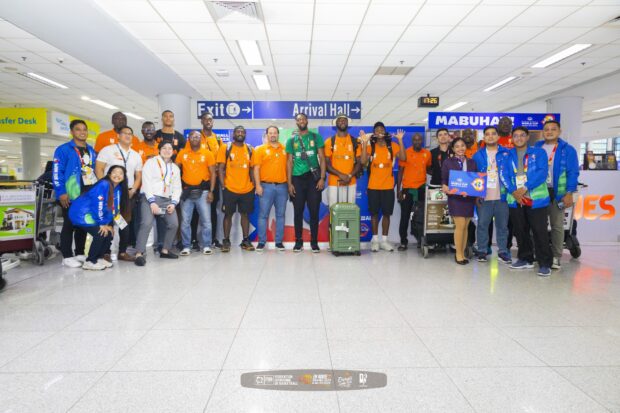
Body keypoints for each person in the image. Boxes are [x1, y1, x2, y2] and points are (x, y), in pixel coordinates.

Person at [501, 126, 553, 276]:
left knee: (539, 231)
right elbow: (503, 174)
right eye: (515, 136)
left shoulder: (538, 152)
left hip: (536, 199)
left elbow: (542, 173)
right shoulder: (507, 155)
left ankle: (545, 263)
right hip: (515, 199)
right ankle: (525, 258)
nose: (519, 138)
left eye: (522, 135)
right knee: (520, 230)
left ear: (527, 136)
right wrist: (513, 191)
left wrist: (525, 188)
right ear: (512, 138)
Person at [534, 120, 579, 270]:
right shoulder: (536, 148)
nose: (549, 131)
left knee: (557, 225)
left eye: (553, 129)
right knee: (538, 225)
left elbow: (573, 172)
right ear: (542, 132)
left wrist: (569, 192)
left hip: (558, 193)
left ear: (559, 131)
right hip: (539, 191)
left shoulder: (568, 150)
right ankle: (539, 254)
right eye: (546, 129)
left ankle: (556, 256)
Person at [52, 119, 97, 268]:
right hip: (70, 193)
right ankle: (67, 256)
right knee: (69, 224)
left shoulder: (91, 151)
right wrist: (61, 192)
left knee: (82, 224)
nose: (82, 132)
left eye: (84, 129)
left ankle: (79, 253)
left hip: (87, 193)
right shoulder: (64, 149)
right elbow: (58, 172)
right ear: (72, 132)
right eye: (78, 129)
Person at [95, 125, 143, 262]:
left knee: (124, 224)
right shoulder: (107, 150)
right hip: (109, 193)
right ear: (118, 136)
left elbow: (138, 175)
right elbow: (99, 169)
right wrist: (104, 187)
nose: (127, 136)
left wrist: (133, 189)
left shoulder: (135, 155)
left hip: (127, 195)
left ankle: (122, 252)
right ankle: (105, 252)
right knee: (108, 221)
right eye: (124, 133)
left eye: (130, 133)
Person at [69, 165, 130, 270]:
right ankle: (90, 261)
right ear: (109, 174)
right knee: (101, 233)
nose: (117, 175)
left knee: (109, 232)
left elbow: (113, 208)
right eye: (114, 172)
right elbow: (98, 205)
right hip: (82, 214)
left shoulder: (118, 189)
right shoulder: (104, 184)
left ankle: (100, 258)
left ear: (124, 177)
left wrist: (107, 224)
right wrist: (102, 223)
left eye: (121, 173)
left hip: (95, 214)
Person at [360, 122, 406, 252]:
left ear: (385, 132)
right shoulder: (371, 147)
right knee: (374, 214)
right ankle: (375, 241)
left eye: (382, 129)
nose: (379, 131)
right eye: (377, 130)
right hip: (373, 186)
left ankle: (384, 241)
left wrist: (400, 140)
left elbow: (403, 157)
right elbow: (363, 161)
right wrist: (364, 143)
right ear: (374, 133)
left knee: (386, 214)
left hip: (388, 186)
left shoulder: (393, 146)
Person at [134, 141, 182, 266]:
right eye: (164, 148)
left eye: (170, 148)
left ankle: (165, 250)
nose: (167, 150)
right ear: (159, 150)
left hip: (167, 200)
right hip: (150, 198)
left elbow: (177, 188)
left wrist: (174, 203)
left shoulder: (175, 168)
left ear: (173, 151)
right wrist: (152, 202)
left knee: (174, 224)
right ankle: (139, 253)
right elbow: (146, 182)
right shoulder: (151, 163)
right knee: (147, 223)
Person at [286, 113, 326, 253]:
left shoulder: (316, 137)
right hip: (297, 178)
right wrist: (289, 183)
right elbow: (289, 162)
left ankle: (314, 243)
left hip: (313, 179)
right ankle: (298, 242)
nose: (301, 121)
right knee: (298, 212)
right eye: (298, 120)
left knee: (314, 211)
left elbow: (322, 157)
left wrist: (322, 178)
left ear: (307, 121)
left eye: (303, 119)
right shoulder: (291, 140)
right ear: (296, 122)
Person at [473, 126, 511, 264]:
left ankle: (503, 251)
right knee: (482, 225)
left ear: (498, 136)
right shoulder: (477, 155)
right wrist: (476, 196)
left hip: (502, 196)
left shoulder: (507, 153)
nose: (490, 136)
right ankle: (482, 250)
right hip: (484, 196)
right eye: (487, 134)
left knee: (502, 226)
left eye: (493, 134)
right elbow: (474, 177)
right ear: (484, 138)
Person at [176, 130, 216, 256]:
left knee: (206, 221)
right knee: (185, 221)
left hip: (203, 192)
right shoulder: (182, 153)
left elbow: (213, 173)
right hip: (187, 192)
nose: (195, 138)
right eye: (192, 136)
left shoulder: (208, 154)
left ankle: (206, 245)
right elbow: (174, 171)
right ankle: (186, 246)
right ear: (189, 138)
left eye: (197, 136)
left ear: (201, 139)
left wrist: (211, 191)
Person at [217, 126, 255, 252]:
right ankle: (226, 241)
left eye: (242, 132)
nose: (240, 134)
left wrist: (254, 185)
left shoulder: (250, 149)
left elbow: (252, 169)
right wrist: (223, 186)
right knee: (228, 215)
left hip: (247, 189)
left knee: (245, 215)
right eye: (237, 132)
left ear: (245, 134)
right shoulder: (226, 148)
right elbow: (221, 169)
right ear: (233, 134)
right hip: (230, 188)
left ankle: (245, 240)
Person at [441, 138, 477, 264]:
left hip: (468, 198)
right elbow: (444, 180)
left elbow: (475, 180)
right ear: (453, 149)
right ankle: (458, 254)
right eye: (457, 146)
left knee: (466, 226)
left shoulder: (472, 162)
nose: (460, 148)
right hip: (455, 198)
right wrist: (445, 187)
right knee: (460, 225)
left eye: (462, 146)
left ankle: (462, 252)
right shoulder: (448, 162)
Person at [253, 125, 288, 252]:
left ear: (278, 134)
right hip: (265, 186)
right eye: (270, 133)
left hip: (282, 187)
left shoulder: (285, 149)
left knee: (281, 215)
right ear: (266, 135)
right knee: (263, 215)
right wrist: (257, 185)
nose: (273, 135)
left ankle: (279, 242)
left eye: (275, 133)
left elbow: (289, 168)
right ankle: (262, 242)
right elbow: (256, 168)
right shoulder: (260, 150)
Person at [397, 132, 431, 250]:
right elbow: (400, 172)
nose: (417, 142)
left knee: (421, 216)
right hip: (407, 190)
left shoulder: (427, 154)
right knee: (405, 216)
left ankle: (420, 239)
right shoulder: (406, 153)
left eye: (419, 140)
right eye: (415, 140)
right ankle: (403, 241)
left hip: (421, 189)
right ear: (412, 141)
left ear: (422, 141)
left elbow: (429, 168)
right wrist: (398, 190)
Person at [197, 112, 223, 249]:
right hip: (198, 180)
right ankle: (195, 241)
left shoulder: (217, 140)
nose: (208, 121)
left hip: (214, 180)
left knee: (213, 210)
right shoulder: (196, 137)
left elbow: (221, 160)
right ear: (201, 121)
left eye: (210, 119)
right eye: (206, 119)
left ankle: (213, 239)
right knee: (196, 211)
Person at [323, 113, 362, 206]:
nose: (342, 121)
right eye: (339, 120)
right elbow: (327, 164)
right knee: (334, 213)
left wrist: (349, 176)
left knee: (349, 213)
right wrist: (341, 175)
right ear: (336, 123)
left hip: (351, 182)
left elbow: (359, 162)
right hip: (334, 183)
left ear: (348, 123)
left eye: (344, 119)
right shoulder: (329, 142)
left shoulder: (355, 141)